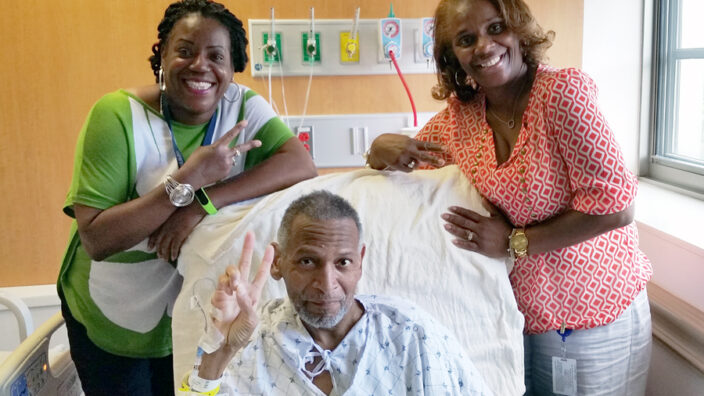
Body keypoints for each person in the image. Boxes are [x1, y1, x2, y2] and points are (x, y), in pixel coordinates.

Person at [366, 0, 653, 394]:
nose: (484, 46)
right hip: (519, 320)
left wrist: (513, 242)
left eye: (495, 28)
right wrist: (378, 148)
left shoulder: (561, 95)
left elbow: (616, 207)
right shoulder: (460, 118)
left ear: (518, 29)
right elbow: (409, 162)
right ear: (453, 57)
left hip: (594, 316)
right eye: (466, 39)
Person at [57, 1, 317, 394]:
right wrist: (188, 179)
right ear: (161, 56)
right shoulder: (116, 116)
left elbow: (299, 164)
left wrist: (201, 202)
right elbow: (97, 239)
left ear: (233, 68)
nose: (200, 65)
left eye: (216, 56)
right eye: (184, 51)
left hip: (188, 315)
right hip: (111, 311)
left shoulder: (243, 107)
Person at [177, 191, 492, 395]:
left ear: (360, 263)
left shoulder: (410, 335)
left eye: (342, 262)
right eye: (307, 261)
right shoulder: (250, 341)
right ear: (277, 262)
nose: (327, 284)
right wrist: (219, 355)